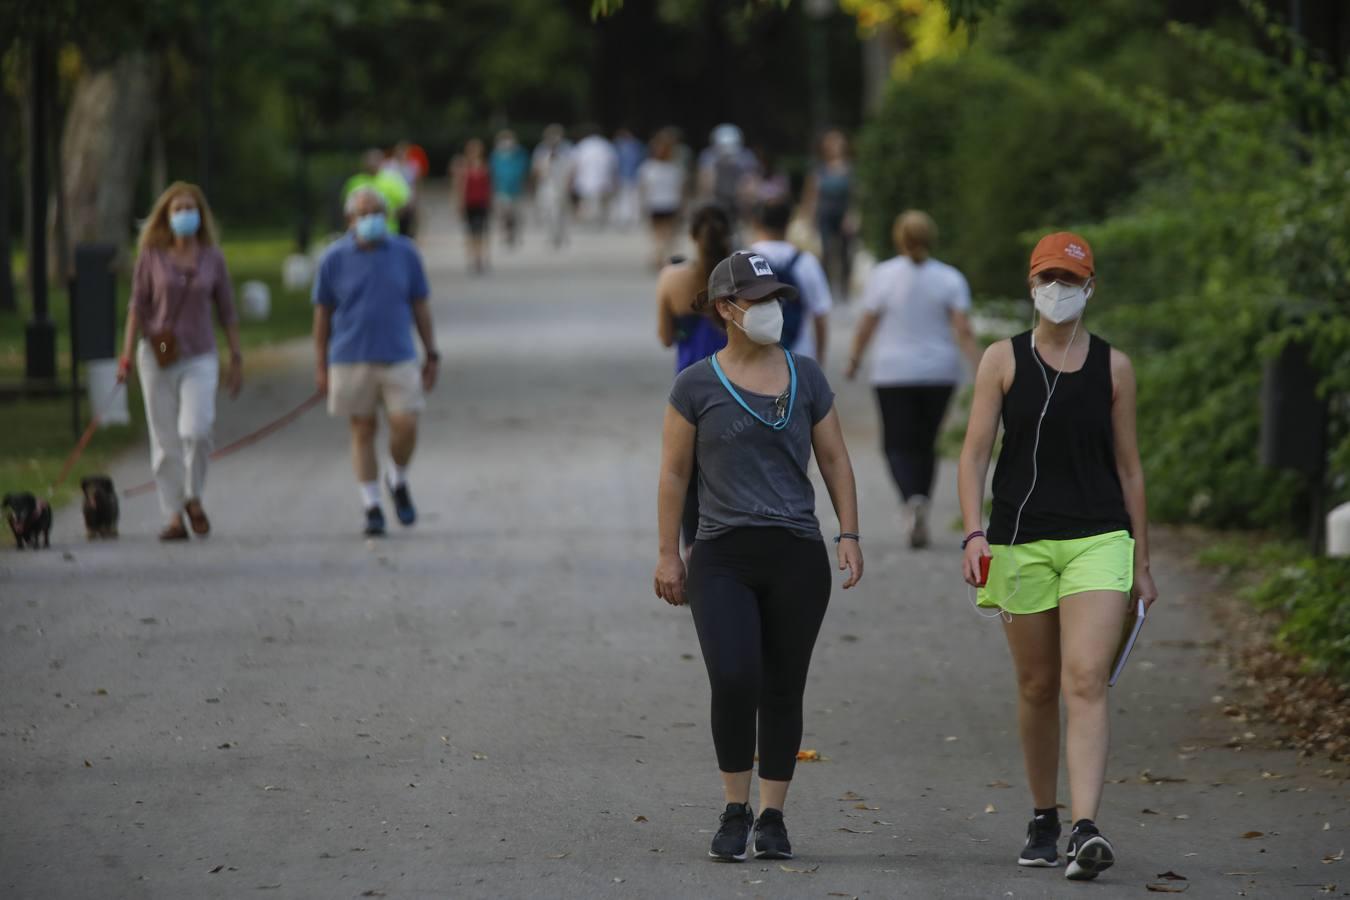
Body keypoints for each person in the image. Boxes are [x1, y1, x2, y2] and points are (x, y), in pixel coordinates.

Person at [957, 232, 1158, 881]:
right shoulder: (1001, 361)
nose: (1059, 291)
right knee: (1039, 685)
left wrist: (1143, 564)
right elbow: (974, 453)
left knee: (1084, 677)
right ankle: (1044, 814)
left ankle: (1086, 827)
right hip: (1020, 541)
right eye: (1049, 279)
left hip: (1099, 539)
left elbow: (1130, 470)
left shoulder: (1114, 367)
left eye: (1071, 281)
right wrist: (972, 532)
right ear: (1031, 285)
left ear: (1089, 288)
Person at [654, 250, 863, 863]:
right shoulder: (694, 384)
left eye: (776, 299)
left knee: (782, 686)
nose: (772, 310)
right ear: (726, 308)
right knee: (736, 676)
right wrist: (669, 554)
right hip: (722, 555)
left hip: (796, 554)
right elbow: (673, 475)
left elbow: (835, 460)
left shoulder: (807, 375)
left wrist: (848, 533)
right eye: (759, 300)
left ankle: (772, 816)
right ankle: (733, 806)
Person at [845, 210, 981, 548]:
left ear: (898, 237)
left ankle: (910, 499)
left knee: (895, 443)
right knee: (926, 441)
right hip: (939, 372)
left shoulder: (883, 276)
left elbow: (867, 324)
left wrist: (854, 359)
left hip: (893, 372)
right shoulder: (950, 278)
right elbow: (963, 330)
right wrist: (981, 367)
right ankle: (921, 498)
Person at [116, 182, 243, 541]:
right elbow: (136, 308)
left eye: (191, 208)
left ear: (200, 216)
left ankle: (193, 496)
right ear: (166, 217)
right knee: (165, 440)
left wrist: (236, 355)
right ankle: (173, 515)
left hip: (200, 354)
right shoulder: (151, 255)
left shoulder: (213, 257)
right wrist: (125, 357)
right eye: (177, 209)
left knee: (197, 430)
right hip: (157, 356)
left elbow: (228, 311)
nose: (185, 215)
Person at [312, 187, 440, 536]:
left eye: (378, 212)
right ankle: (371, 505)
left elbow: (420, 305)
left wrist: (432, 352)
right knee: (362, 430)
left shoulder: (405, 253)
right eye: (364, 213)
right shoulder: (333, 258)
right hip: (350, 356)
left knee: (406, 424)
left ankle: (397, 478)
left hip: (398, 354)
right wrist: (320, 364)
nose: (372, 219)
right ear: (350, 220)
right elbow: (322, 313)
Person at [655, 205, 733, 553]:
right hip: (736, 382)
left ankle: (690, 548)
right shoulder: (739, 279)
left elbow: (666, 337)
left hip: (689, 387)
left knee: (685, 470)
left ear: (691, 235)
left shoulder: (672, 279)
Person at [748, 200, 833, 366]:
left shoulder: (741, 260)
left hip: (753, 362)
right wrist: (819, 361)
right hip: (798, 358)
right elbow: (820, 316)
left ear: (756, 222)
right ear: (788, 223)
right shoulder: (807, 262)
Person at [802, 129, 856, 299]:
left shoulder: (849, 168)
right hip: (824, 213)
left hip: (843, 212)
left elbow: (854, 196)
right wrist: (809, 218)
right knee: (824, 251)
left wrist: (852, 215)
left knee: (845, 253)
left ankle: (844, 288)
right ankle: (825, 288)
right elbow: (812, 196)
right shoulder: (819, 169)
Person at [638, 129, 688, 269]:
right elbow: (681, 190)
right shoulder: (675, 168)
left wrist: (642, 204)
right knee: (669, 234)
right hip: (671, 203)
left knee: (657, 234)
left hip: (655, 204)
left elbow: (643, 189)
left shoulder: (648, 168)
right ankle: (665, 257)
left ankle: (658, 256)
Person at [452, 139, 493, 274]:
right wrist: (459, 203)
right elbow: (460, 187)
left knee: (481, 231)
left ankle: (481, 257)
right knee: (471, 232)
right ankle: (472, 257)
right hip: (470, 203)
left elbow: (489, 186)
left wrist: (491, 202)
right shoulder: (464, 166)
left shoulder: (485, 166)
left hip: (482, 202)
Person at [532, 124, 574, 249]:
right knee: (547, 211)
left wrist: (568, 183)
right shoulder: (541, 150)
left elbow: (571, 168)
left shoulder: (566, 149)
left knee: (561, 212)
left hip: (561, 184)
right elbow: (536, 168)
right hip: (546, 185)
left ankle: (561, 234)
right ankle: (551, 234)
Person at [490, 130, 530, 248]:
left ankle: (516, 235)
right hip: (501, 189)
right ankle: (506, 235)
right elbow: (493, 172)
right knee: (503, 215)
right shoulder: (496, 155)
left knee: (516, 214)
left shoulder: (520, 153)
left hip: (516, 189)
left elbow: (524, 169)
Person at [572, 127, 618, 227]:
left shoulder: (583, 145)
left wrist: (573, 180)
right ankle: (600, 222)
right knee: (601, 203)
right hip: (604, 180)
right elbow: (613, 165)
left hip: (585, 180)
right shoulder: (606, 146)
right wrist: (614, 180)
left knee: (587, 203)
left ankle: (589, 222)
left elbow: (575, 164)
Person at [613, 126, 646, 228]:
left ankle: (633, 218)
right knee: (625, 198)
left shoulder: (636, 146)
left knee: (633, 198)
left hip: (634, 175)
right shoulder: (620, 146)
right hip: (624, 176)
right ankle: (625, 218)